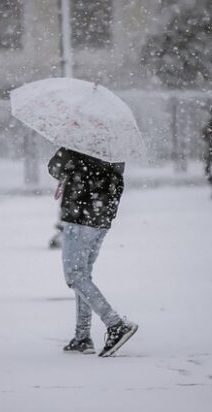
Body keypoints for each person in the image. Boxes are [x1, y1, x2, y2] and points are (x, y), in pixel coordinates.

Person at [48, 147, 138, 357]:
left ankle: (116, 324)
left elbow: (54, 167)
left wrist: (67, 166)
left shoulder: (78, 142)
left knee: (75, 276)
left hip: (79, 216)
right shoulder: (114, 146)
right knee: (83, 275)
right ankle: (82, 337)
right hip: (101, 217)